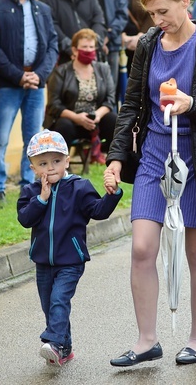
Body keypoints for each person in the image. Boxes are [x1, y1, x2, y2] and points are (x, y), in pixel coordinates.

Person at [105, 0, 196, 366]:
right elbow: (131, 105)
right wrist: (115, 158)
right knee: (143, 248)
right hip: (153, 157)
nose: (158, 20)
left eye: (164, 11)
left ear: (186, 2)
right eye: (152, 14)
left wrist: (191, 104)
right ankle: (147, 340)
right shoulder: (148, 44)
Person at [17, 129, 122, 367]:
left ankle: (52, 342)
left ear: (66, 161)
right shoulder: (30, 192)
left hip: (71, 261)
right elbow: (25, 219)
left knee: (59, 300)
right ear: (33, 168)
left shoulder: (79, 187)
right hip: (43, 262)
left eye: (56, 161)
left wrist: (112, 195)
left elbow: (99, 211)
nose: (50, 167)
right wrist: (41, 199)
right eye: (42, 163)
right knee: (50, 305)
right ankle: (64, 349)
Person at [0, 0, 58, 208]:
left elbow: (52, 45)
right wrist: (18, 75)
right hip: (8, 84)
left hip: (36, 84)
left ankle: (30, 185)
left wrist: (39, 74)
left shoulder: (42, 9)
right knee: (0, 138)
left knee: (34, 140)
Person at [44, 29, 116, 160]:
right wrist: (77, 118)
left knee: (115, 120)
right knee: (63, 126)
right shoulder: (61, 71)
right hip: (71, 121)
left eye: (91, 47)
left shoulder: (103, 69)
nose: (88, 50)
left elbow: (110, 99)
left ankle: (110, 158)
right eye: (84, 47)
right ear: (75, 50)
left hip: (96, 121)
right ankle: (60, 161)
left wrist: (98, 115)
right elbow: (54, 104)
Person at [79, 0, 128, 84]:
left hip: (111, 46)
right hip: (84, 45)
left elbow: (122, 13)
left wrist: (107, 36)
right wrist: (94, 39)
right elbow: (76, 13)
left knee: (109, 90)